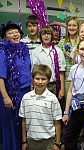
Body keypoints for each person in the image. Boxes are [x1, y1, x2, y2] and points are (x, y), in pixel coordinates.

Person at [0, 21, 32, 150]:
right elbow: (0, 78)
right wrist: (5, 97)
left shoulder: (24, 51)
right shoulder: (3, 53)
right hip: (11, 95)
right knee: (12, 127)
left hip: (26, 93)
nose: (14, 34)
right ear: (5, 37)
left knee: (23, 125)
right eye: (10, 32)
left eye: (16, 31)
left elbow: (28, 71)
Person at [19, 64, 62, 150]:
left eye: (43, 79)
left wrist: (57, 143)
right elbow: (23, 120)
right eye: (37, 79)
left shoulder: (52, 99)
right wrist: (24, 141)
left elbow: (57, 122)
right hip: (31, 140)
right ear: (32, 79)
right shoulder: (26, 98)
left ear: (48, 80)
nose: (40, 82)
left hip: (48, 141)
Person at [31, 25, 66, 100]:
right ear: (40, 36)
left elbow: (61, 72)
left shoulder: (58, 51)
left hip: (54, 85)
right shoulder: (35, 52)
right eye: (44, 34)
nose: (46, 36)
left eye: (48, 34)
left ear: (52, 35)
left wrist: (62, 89)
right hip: (40, 85)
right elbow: (33, 71)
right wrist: (33, 86)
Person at [57, 16, 80, 96]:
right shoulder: (62, 42)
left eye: (74, 25)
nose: (71, 28)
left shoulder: (81, 41)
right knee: (68, 100)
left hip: (79, 74)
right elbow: (57, 60)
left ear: (78, 27)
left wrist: (76, 56)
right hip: (66, 75)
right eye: (69, 25)